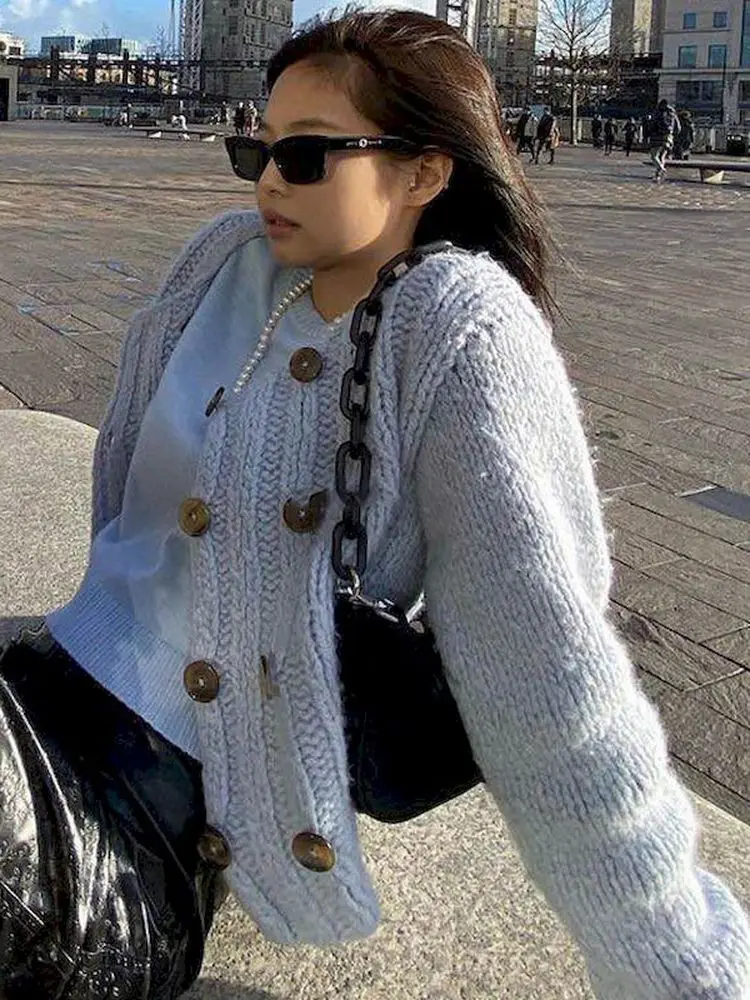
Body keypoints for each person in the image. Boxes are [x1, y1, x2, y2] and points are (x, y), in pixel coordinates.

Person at [2, 6, 748, 997]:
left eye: (306, 155)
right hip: (41, 695)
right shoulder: (223, 263)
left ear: (425, 171)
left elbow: (548, 680)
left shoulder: (455, 327)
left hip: (126, 832)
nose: (269, 180)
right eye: (256, 147)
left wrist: (683, 965)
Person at [649, 97, 681, 182]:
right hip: (669, 137)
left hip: (657, 137)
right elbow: (678, 128)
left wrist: (650, 134)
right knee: (662, 156)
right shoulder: (673, 114)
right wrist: (673, 135)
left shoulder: (658, 113)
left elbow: (652, 125)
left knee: (654, 156)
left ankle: (661, 169)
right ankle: (658, 175)